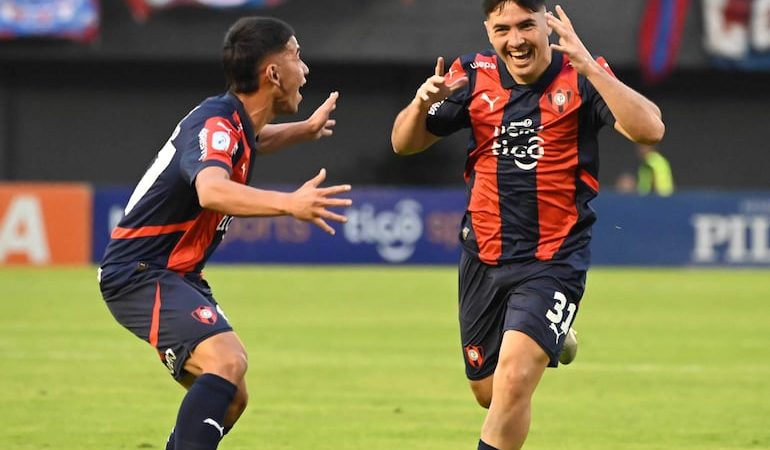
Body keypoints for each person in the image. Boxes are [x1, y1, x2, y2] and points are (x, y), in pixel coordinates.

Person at [391, 2, 664, 450]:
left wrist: (593, 69)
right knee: (490, 392)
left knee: (515, 380)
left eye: (525, 26)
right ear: (488, 30)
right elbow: (404, 144)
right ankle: (552, 335)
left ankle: (541, 329)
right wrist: (421, 103)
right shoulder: (472, 74)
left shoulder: (580, 74)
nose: (515, 40)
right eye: (502, 29)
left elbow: (650, 129)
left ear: (546, 24)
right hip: (483, 255)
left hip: (553, 259)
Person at [97, 17, 352, 450]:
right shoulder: (216, 125)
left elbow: (253, 140)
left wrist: (304, 130)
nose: (304, 68)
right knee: (228, 362)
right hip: (141, 272)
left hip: (174, 273)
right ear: (273, 73)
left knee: (231, 398)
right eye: (295, 54)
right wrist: (289, 203)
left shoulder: (229, 121)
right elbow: (212, 189)